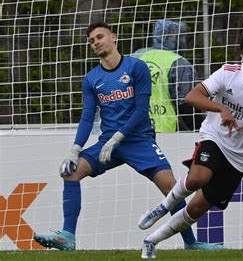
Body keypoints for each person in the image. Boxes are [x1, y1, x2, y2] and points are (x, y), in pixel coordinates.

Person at [33, 20, 222, 251]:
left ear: (113, 37)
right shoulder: (92, 79)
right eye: (91, 41)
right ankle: (68, 237)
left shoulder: (136, 67)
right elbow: (87, 116)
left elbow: (142, 109)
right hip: (107, 145)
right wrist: (75, 148)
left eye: (100, 37)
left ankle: (191, 243)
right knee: (70, 173)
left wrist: (118, 137)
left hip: (139, 141)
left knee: (171, 188)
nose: (96, 43)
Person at [137, 29, 243, 258]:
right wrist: (221, 108)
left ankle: (151, 241)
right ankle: (162, 206)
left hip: (241, 159)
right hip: (215, 137)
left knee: (196, 208)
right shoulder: (227, 72)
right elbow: (192, 97)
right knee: (198, 178)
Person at [132, 19, 203, 132]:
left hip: (134, 129)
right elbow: (186, 103)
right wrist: (198, 128)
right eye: (181, 36)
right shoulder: (178, 63)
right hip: (168, 130)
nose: (183, 41)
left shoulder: (137, 57)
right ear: (172, 38)